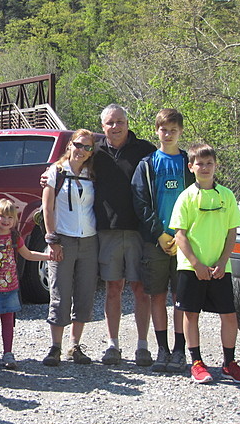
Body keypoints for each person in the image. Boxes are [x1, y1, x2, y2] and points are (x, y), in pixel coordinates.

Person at [169, 144, 240, 384]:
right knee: (190, 314)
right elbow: (180, 235)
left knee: (229, 315)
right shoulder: (186, 197)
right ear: (190, 166)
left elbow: (231, 232)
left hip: (219, 269)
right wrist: (196, 264)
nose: (204, 168)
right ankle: (196, 362)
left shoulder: (227, 195)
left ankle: (229, 363)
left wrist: (222, 262)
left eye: (209, 163)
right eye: (199, 163)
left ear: (216, 166)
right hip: (191, 268)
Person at [92, 104, 155, 366]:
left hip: (140, 230)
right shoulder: (94, 153)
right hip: (108, 230)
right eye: (109, 123)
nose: (115, 127)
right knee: (113, 288)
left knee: (141, 289)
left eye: (119, 121)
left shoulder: (146, 150)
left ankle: (143, 346)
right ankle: (112, 345)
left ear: (127, 123)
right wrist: (47, 178)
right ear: (102, 126)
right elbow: (66, 167)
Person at [131, 109, 194, 373]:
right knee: (157, 295)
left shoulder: (188, 162)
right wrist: (159, 233)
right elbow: (140, 202)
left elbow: (197, 198)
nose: (167, 134)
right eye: (163, 129)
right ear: (156, 131)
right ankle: (162, 349)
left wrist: (183, 234)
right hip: (155, 241)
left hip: (185, 241)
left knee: (181, 297)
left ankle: (180, 350)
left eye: (173, 130)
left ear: (180, 132)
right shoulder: (147, 164)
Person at [40, 130, 99, 367]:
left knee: (85, 293)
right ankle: (55, 347)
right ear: (70, 145)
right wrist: (51, 239)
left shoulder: (92, 174)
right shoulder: (56, 172)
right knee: (60, 292)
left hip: (89, 239)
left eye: (87, 147)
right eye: (78, 145)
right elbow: (47, 207)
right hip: (62, 239)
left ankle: (75, 346)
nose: (82, 150)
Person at [0, 198, 49, 369]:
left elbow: (28, 255)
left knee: (8, 322)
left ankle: (8, 353)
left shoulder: (15, 237)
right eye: (2, 217)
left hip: (11, 288)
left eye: (10, 218)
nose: (6, 221)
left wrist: (47, 256)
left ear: (15, 220)